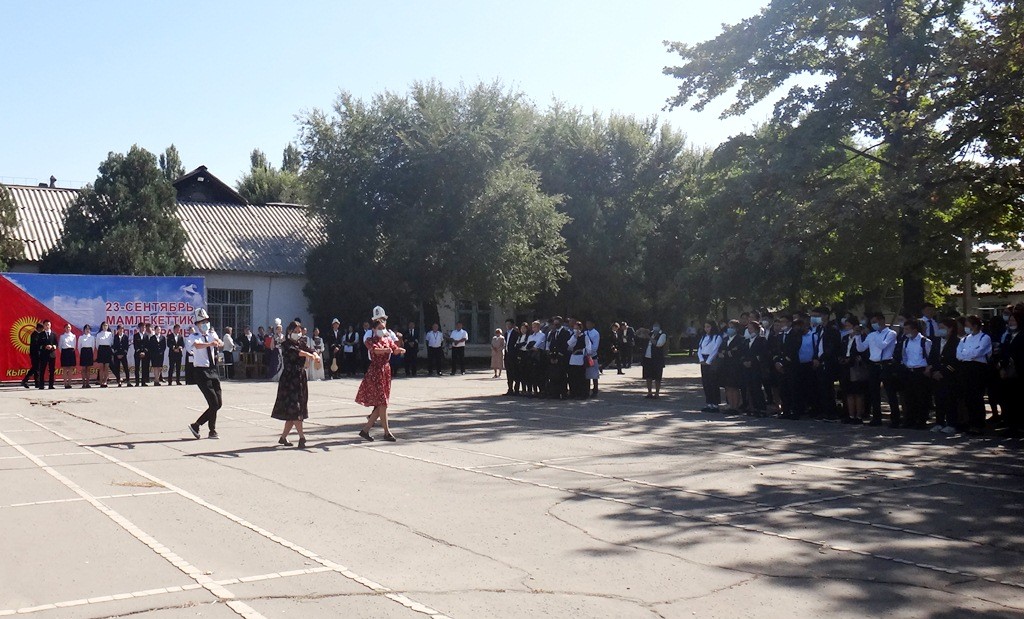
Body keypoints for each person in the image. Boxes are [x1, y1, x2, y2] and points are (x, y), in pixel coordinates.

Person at [356, 307, 405, 442]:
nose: (382, 330)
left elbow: (394, 349)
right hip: (376, 371)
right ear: (374, 329)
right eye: (379, 328)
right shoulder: (370, 339)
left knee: (381, 404)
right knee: (382, 403)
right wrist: (386, 350)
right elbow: (375, 350)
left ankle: (366, 430)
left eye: (383, 327)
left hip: (385, 371)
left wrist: (399, 350)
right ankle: (386, 432)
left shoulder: (387, 338)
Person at [272, 321, 320, 447]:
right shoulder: (286, 344)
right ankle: (302, 438)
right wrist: (309, 355)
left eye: (299, 331)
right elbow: (296, 352)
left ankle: (283, 438)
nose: (298, 333)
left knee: (295, 410)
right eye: (295, 331)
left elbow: (310, 349)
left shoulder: (301, 342)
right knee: (295, 409)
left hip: (300, 377)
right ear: (289, 331)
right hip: (289, 379)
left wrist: (315, 355)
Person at [187, 308, 224, 440]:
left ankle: (196, 425)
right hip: (201, 371)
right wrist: (209, 344)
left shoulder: (212, 334)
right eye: (202, 322)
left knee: (218, 403)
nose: (205, 324)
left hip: (213, 369)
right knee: (213, 402)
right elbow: (197, 346)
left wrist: (219, 343)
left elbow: (220, 342)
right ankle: (212, 430)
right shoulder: (193, 336)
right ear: (197, 324)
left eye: (207, 321)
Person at [857, 313, 900, 427]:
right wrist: (858, 336)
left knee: (890, 392)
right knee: (874, 392)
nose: (873, 324)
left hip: (886, 364)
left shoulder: (891, 333)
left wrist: (871, 335)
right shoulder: (872, 335)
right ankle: (876, 418)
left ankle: (895, 419)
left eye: (875, 322)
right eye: (872, 322)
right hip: (874, 364)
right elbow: (861, 348)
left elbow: (882, 345)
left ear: (882, 321)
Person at [956, 315, 992, 434]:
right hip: (966, 367)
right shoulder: (964, 339)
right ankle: (970, 422)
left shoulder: (984, 337)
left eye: (967, 325)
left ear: (975, 325)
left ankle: (979, 423)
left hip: (978, 368)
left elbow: (979, 352)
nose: (965, 327)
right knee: (968, 397)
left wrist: (967, 354)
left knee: (977, 396)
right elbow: (959, 354)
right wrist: (967, 355)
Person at [898, 319, 933, 429]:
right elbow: (904, 356)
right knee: (909, 397)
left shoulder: (925, 341)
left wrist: (928, 369)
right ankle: (910, 420)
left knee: (921, 397)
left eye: (907, 329)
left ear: (915, 329)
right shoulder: (906, 341)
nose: (905, 331)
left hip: (921, 371)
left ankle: (921, 421)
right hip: (910, 371)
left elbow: (930, 357)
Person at [929, 318, 961, 434]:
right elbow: (932, 358)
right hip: (936, 375)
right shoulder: (936, 341)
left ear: (950, 329)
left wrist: (942, 372)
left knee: (950, 400)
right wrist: (934, 371)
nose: (940, 330)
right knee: (939, 400)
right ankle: (939, 422)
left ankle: (951, 424)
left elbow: (955, 361)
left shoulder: (957, 342)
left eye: (942, 328)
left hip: (949, 376)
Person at [839, 316, 869, 424]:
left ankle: (859, 416)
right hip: (846, 367)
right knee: (848, 392)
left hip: (856, 367)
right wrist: (842, 359)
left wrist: (853, 358)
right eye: (846, 326)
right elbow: (842, 350)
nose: (847, 328)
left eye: (849, 325)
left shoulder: (862, 337)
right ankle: (850, 415)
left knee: (858, 392)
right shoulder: (845, 338)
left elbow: (863, 351)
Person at [741, 320, 770, 416]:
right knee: (750, 387)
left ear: (757, 329)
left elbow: (763, 354)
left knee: (757, 387)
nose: (750, 330)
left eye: (751, 328)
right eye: (748, 329)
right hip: (747, 367)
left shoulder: (761, 340)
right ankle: (753, 407)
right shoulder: (746, 341)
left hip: (757, 367)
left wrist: (752, 361)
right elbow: (743, 353)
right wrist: (744, 361)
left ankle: (761, 408)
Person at [718, 320, 745, 413]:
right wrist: (726, 353)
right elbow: (721, 351)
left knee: (734, 387)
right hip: (725, 366)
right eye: (729, 327)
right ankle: (730, 405)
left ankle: (735, 407)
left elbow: (736, 352)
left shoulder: (740, 339)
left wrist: (727, 353)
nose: (730, 329)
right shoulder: (725, 339)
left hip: (735, 366)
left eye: (732, 327)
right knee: (728, 387)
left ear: (736, 329)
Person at [697, 321, 723, 411]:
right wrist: (701, 359)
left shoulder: (717, 337)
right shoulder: (704, 337)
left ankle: (715, 404)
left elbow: (715, 350)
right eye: (705, 327)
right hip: (703, 359)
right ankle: (709, 403)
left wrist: (708, 361)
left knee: (713, 382)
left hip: (712, 360)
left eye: (708, 327)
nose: (706, 329)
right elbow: (699, 349)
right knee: (706, 382)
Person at [566, 321, 593, 398]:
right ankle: (574, 393)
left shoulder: (585, 337)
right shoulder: (573, 336)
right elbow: (569, 344)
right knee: (573, 377)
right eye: (574, 328)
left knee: (581, 377)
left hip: (581, 358)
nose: (576, 330)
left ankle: (583, 393)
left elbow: (589, 348)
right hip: (573, 358)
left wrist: (581, 350)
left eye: (577, 328)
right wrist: (575, 337)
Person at [642, 322, 668, 398]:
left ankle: (657, 393)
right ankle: (649, 392)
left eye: (657, 326)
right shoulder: (650, 333)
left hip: (657, 359)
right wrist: (642, 331)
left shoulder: (662, 335)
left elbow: (658, 344)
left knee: (657, 377)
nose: (655, 327)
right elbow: (639, 336)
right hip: (647, 358)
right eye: (654, 326)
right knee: (648, 376)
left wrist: (649, 338)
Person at [36, 319, 57, 390]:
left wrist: (53, 346)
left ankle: (51, 385)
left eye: (48, 325)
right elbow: (38, 345)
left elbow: (56, 343)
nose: (47, 326)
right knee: (42, 370)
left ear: (50, 325)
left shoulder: (54, 334)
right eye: (45, 325)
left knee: (52, 370)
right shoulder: (40, 335)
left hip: (52, 354)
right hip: (43, 354)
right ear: (43, 326)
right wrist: (45, 346)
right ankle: (41, 385)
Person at [21, 322, 43, 389]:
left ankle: (37, 383)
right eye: (42, 328)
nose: (42, 330)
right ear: (39, 328)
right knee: (35, 368)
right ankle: (25, 380)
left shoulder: (37, 334)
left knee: (37, 368)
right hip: (35, 354)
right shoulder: (35, 334)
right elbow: (36, 345)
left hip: (37, 354)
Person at [93, 322, 113, 388]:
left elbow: (111, 343)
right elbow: (97, 344)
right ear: (102, 326)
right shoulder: (99, 334)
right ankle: (101, 381)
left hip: (108, 350)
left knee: (106, 367)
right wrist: (100, 350)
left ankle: (105, 381)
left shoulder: (110, 334)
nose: (105, 326)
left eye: (106, 325)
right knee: (101, 367)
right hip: (101, 350)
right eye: (104, 325)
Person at [503, 319, 519, 393]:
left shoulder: (516, 333)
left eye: (509, 324)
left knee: (514, 371)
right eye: (506, 324)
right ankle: (510, 388)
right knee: (508, 372)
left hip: (514, 355)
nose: (508, 326)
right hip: (507, 355)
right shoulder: (506, 334)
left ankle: (516, 389)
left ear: (512, 325)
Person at [585, 319, 601, 395]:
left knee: (594, 374)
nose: (588, 325)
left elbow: (595, 346)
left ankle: (595, 390)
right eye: (587, 323)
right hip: (586, 355)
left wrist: (590, 352)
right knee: (587, 374)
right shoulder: (585, 332)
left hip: (593, 355)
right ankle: (587, 390)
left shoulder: (595, 333)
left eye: (589, 323)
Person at [59, 323, 77, 389]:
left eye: (69, 327)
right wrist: (63, 352)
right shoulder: (62, 336)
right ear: (64, 328)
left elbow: (74, 345)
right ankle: (65, 383)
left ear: (71, 328)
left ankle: (69, 383)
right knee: (65, 368)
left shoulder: (73, 336)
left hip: (71, 352)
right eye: (66, 327)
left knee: (70, 369)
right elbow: (60, 346)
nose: (68, 328)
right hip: (64, 352)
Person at [77, 324, 95, 389]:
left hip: (89, 352)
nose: (87, 330)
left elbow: (93, 347)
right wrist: (81, 353)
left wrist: (91, 353)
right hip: (83, 352)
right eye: (86, 329)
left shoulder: (92, 337)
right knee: (84, 368)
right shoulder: (81, 337)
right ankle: (83, 383)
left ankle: (87, 383)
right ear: (84, 330)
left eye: (88, 329)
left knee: (88, 369)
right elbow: (79, 347)